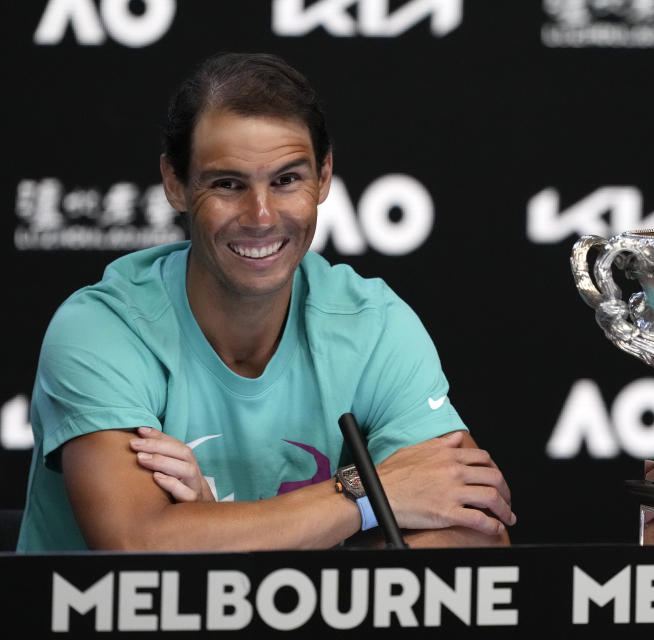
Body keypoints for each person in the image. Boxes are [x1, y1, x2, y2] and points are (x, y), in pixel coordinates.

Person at [16, 52, 515, 552]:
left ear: (324, 177)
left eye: (286, 180)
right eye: (228, 184)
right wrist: (364, 494)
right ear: (175, 183)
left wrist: (214, 532)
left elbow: (476, 529)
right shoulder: (103, 329)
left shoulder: (374, 324)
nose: (260, 216)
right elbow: (136, 543)